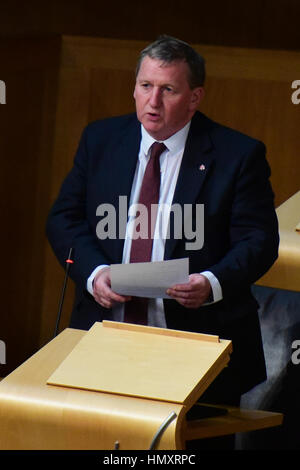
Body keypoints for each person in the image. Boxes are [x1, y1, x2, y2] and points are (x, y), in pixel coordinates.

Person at [46, 35, 279, 444]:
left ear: (194, 97)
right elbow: (64, 219)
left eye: (168, 89)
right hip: (105, 338)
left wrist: (212, 283)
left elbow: (258, 240)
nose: (152, 101)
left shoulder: (237, 154)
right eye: (145, 86)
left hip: (199, 346)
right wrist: (94, 273)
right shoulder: (101, 140)